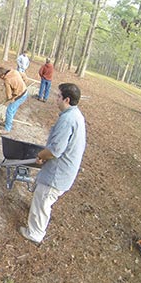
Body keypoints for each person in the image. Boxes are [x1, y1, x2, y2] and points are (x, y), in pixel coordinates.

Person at [19, 83, 86, 245]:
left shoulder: (68, 120)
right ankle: (36, 224)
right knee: (42, 199)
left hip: (58, 173)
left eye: (58, 96)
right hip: (64, 170)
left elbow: (55, 150)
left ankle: (35, 233)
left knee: (43, 201)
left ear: (67, 99)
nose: (56, 99)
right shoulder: (76, 114)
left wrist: (41, 156)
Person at [0, 67, 28, 135]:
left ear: (2, 75)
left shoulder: (7, 80)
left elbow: (9, 95)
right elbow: (24, 76)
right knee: (13, 109)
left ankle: (7, 129)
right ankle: (7, 122)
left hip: (20, 96)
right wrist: (21, 84)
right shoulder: (14, 71)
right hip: (25, 92)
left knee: (9, 110)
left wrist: (9, 98)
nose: (0, 79)